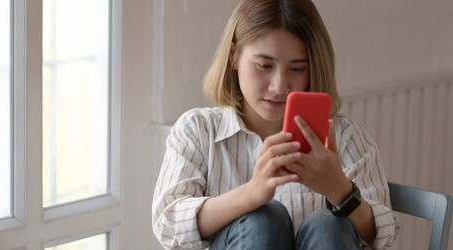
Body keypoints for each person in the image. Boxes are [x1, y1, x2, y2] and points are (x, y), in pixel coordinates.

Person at [151, 0, 398, 249]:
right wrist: (252, 193)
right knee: (263, 220)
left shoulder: (345, 137)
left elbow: (382, 236)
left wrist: (341, 191)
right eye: (264, 66)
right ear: (233, 57)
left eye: (297, 68)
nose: (279, 86)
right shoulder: (198, 132)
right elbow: (168, 224)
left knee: (328, 225)